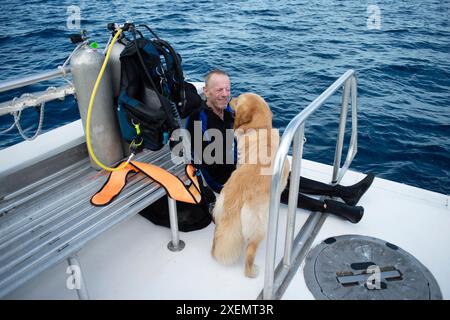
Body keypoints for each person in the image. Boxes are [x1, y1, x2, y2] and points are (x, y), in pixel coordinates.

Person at [185, 69, 374, 223]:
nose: (225, 94)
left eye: (228, 89)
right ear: (207, 92)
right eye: (219, 90)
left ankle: (342, 192)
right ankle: (334, 208)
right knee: (270, 182)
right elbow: (210, 163)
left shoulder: (228, 111)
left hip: (235, 164)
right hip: (219, 178)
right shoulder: (199, 120)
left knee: (280, 173)